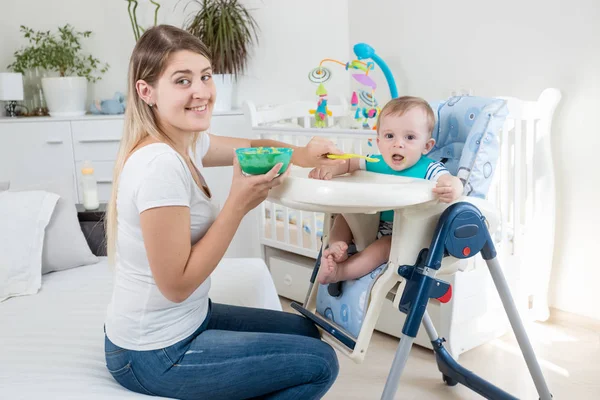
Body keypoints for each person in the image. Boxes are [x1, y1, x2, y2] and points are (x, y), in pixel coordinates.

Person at [103, 25, 345, 400]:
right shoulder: (158, 165)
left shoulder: (188, 142)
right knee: (321, 362)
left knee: (306, 332)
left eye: (205, 76)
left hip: (192, 319)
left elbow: (253, 145)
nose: (201, 92)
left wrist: (301, 154)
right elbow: (177, 284)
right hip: (154, 352)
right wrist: (237, 205)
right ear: (146, 91)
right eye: (183, 81)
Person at [309, 96, 464, 285]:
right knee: (345, 215)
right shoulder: (376, 162)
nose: (398, 144)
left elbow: (450, 180)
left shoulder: (429, 169)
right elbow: (349, 163)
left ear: (427, 146)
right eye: (390, 136)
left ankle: (341, 271)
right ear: (379, 141)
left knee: (384, 246)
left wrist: (453, 187)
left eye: (410, 137)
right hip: (371, 224)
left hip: (403, 234)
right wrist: (331, 169)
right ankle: (335, 249)